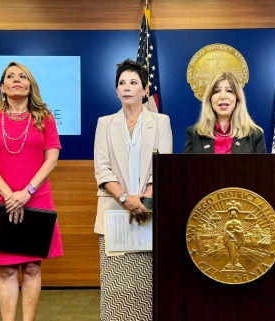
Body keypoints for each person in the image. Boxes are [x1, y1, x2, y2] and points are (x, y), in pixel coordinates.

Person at [0, 61, 62, 321]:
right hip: (1, 202)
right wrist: (10, 196)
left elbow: (52, 159)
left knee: (33, 267)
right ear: (1, 87)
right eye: (10, 76)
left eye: (22, 76)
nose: (16, 80)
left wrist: (27, 192)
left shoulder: (45, 117)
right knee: (7, 270)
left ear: (30, 85)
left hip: (37, 200)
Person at [93, 58, 172, 321]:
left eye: (133, 82)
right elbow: (102, 170)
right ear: (116, 90)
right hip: (115, 213)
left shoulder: (161, 121)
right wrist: (127, 199)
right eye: (122, 83)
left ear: (145, 89)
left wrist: (144, 202)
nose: (127, 87)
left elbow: (163, 166)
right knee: (117, 288)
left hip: (150, 213)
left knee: (150, 288)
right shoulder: (105, 123)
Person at [183, 72, 265, 154]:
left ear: (237, 98)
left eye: (229, 91)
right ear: (210, 99)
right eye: (216, 91)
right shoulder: (194, 134)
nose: (223, 96)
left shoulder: (255, 135)